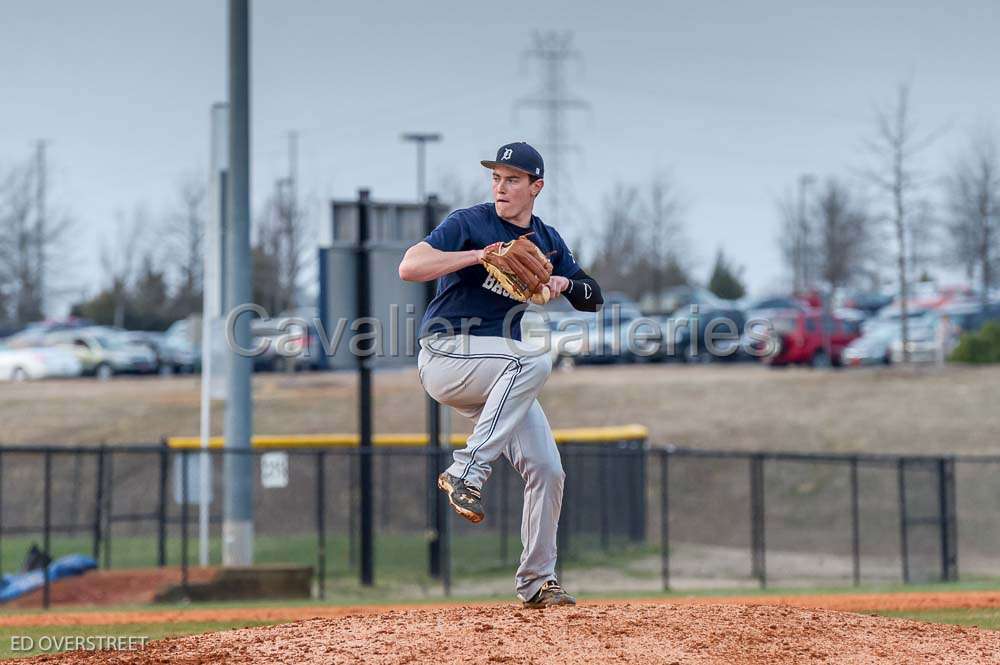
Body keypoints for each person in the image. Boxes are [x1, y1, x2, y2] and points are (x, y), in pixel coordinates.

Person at [398, 141, 603, 608]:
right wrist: (476, 256)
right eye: (496, 177)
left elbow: (594, 296)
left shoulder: (546, 240)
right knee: (531, 358)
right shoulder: (469, 223)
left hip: (495, 371)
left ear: (537, 187)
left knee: (548, 470)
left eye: (513, 179)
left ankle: (536, 581)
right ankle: (466, 470)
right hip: (447, 354)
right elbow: (411, 266)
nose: (501, 187)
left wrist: (562, 282)